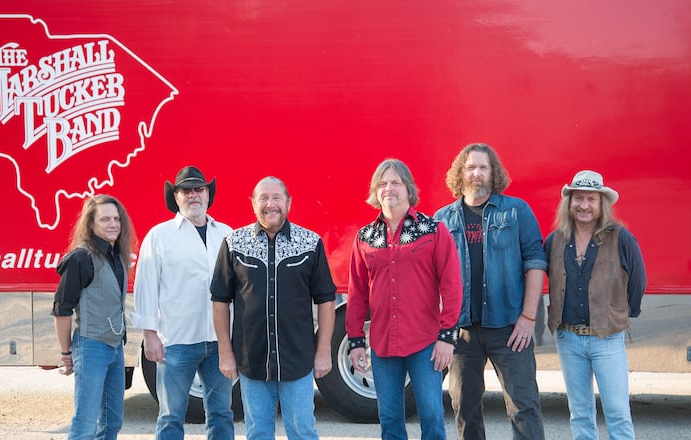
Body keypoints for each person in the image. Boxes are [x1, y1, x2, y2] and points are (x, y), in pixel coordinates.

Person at [434, 143, 547, 440]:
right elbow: (430, 277)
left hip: (510, 327)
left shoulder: (516, 211)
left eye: (483, 167)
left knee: (523, 407)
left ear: (493, 172)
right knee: (464, 408)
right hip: (461, 332)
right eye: (470, 167)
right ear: (460, 172)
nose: (476, 173)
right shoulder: (442, 219)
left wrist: (528, 317)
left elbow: (536, 263)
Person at [210, 176, 336, 440]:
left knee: (302, 431)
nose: (270, 204)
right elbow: (220, 299)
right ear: (253, 204)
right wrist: (225, 352)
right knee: (257, 433)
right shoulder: (234, 243)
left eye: (277, 197)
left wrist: (324, 350)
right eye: (263, 198)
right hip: (251, 359)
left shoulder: (310, 243)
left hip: (298, 360)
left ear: (288, 203)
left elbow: (325, 300)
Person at [346, 158, 463, 440]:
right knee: (389, 419)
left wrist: (447, 337)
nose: (389, 188)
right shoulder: (365, 237)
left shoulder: (433, 231)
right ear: (376, 191)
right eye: (383, 183)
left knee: (432, 415)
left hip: (425, 344)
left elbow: (453, 286)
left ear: (408, 189)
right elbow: (357, 293)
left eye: (395, 182)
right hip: (383, 345)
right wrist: (355, 342)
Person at [132, 166, 234, 440]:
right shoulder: (159, 236)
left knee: (222, 413)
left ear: (207, 194)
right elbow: (146, 287)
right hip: (176, 342)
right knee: (170, 415)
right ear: (175, 197)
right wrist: (150, 335)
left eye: (198, 189)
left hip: (219, 341)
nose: (193, 195)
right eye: (185, 191)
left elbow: (239, 287)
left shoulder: (226, 233)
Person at [544, 170, 646, 440]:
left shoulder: (621, 238)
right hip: (568, 338)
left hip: (607, 339)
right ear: (569, 202)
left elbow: (638, 281)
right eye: (578, 198)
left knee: (617, 413)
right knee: (579, 413)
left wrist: (622, 314)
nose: (584, 205)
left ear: (602, 204)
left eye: (591, 199)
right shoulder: (554, 241)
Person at [52, 194, 136, 440]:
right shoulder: (80, 258)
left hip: (115, 348)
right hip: (91, 347)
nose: (113, 224)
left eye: (116, 219)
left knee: (112, 422)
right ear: (91, 224)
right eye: (105, 219)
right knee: (85, 426)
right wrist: (66, 353)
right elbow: (62, 309)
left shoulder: (116, 255)